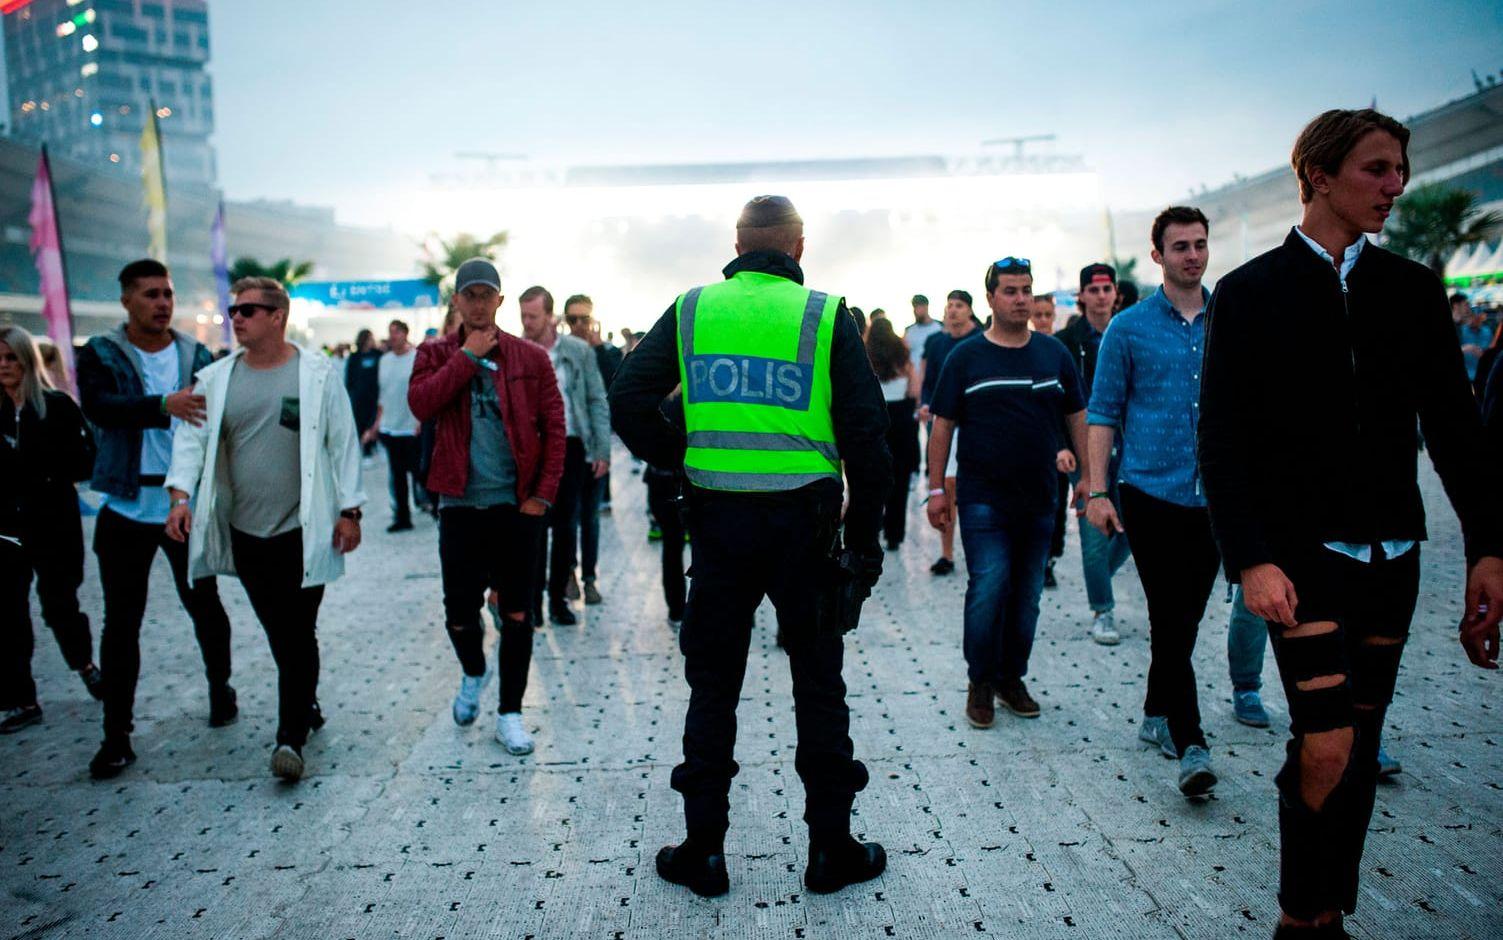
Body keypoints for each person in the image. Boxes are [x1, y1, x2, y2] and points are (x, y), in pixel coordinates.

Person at [1198, 109, 1503, 938]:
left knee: (1358, 744)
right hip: (1301, 560)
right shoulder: (1249, 292)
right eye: (1375, 169)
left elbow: (1452, 428)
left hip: (1393, 557)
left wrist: (1487, 549)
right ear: (1318, 176)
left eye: (1397, 170)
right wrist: (1249, 561)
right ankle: (1301, 915)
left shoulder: (1408, 288)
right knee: (1326, 741)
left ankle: (1325, 910)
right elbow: (1219, 443)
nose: (1394, 186)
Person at [610, 195, 891, 898]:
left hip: (719, 523)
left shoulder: (693, 309)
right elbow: (866, 437)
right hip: (807, 525)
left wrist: (679, 456)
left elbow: (627, 400)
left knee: (713, 685)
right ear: (797, 248)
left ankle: (703, 850)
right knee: (818, 684)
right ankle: (831, 848)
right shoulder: (826, 315)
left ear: (736, 246)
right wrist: (864, 546)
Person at [165, 276, 366, 782]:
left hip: (304, 527)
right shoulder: (216, 378)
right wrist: (180, 497)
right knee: (281, 631)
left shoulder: (316, 373)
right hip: (245, 531)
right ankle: (305, 701)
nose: (236, 318)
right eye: (234, 310)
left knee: (297, 631)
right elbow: (191, 442)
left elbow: (342, 444)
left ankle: (289, 740)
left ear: (278, 316)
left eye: (248, 310)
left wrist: (350, 511)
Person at [75, 259, 236, 780]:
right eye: (150, 294)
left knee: (204, 605)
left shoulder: (196, 353)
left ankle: (221, 688)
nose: (162, 303)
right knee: (121, 624)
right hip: (125, 505)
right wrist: (163, 404)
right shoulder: (102, 352)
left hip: (183, 504)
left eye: (167, 294)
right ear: (127, 300)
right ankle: (116, 735)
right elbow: (101, 407)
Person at [1085, 206, 1223, 798]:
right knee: (1170, 612)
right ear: (1158, 255)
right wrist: (1096, 492)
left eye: (1199, 244)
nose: (1192, 255)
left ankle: (1152, 709)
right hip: (1149, 492)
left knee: (1185, 618)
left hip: (1216, 496)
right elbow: (1102, 414)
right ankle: (1190, 741)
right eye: (1180, 246)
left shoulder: (1232, 320)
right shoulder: (1129, 327)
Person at [408, 259, 565, 757]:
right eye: (468, 295)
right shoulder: (434, 353)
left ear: (500, 300)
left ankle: (510, 713)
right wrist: (468, 357)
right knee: (459, 614)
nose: (477, 303)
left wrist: (542, 494)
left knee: (519, 614)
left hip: (514, 507)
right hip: (457, 504)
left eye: (486, 295)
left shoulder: (530, 358)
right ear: (457, 301)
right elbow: (421, 405)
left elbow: (554, 428)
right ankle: (474, 672)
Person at [927, 257, 1088, 729]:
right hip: (982, 500)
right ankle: (980, 680)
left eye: (1026, 290)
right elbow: (943, 426)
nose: (1021, 300)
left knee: (1027, 596)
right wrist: (937, 489)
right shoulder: (967, 357)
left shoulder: (1053, 354)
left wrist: (1088, 482)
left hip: (1040, 498)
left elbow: (1077, 415)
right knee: (989, 587)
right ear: (992, 298)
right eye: (1011, 291)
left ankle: (1010, 678)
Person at [0, 326, 99, 733]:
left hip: (53, 523)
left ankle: (86, 665)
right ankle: (20, 698)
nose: (4, 366)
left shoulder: (57, 407)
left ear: (27, 360)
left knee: (59, 604)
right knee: (7, 614)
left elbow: (84, 462)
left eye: (11, 358)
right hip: (7, 528)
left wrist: (42, 472)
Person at [519, 287, 611, 620]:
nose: (527, 323)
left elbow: (596, 399)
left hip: (570, 446)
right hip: (531, 449)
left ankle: (558, 599)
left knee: (565, 525)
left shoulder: (577, 351)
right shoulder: (517, 352)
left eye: (533, 316)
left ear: (550, 317)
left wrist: (601, 448)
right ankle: (533, 602)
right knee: (534, 526)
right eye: (523, 316)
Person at [1058, 262, 1132, 645]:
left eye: (1107, 289)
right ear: (1082, 294)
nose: (1101, 296)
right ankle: (1102, 610)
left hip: (1132, 447)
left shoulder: (1129, 330)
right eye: (1095, 289)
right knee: (1093, 533)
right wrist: (1062, 448)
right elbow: (1055, 401)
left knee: (1131, 528)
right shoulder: (1066, 342)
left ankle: (1096, 575)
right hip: (1084, 449)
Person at [917, 290, 982, 575]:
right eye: (949, 306)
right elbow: (929, 381)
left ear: (970, 310)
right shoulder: (936, 343)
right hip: (943, 424)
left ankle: (980, 548)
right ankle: (947, 553)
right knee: (946, 485)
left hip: (976, 424)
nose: (953, 310)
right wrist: (924, 404)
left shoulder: (981, 340)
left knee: (972, 489)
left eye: (959, 305)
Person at [562, 294, 615, 593]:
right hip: (569, 449)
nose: (579, 325)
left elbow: (612, 393)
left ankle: (590, 578)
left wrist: (599, 351)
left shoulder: (604, 353)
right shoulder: (562, 353)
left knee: (590, 518)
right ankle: (568, 572)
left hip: (596, 446)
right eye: (573, 319)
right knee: (567, 518)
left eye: (584, 318)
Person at [865, 318, 919, 550]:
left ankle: (872, 529)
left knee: (873, 479)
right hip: (902, 420)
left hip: (875, 419)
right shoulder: (903, 356)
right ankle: (895, 534)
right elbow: (914, 388)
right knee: (900, 478)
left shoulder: (866, 356)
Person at [1031, 294, 1070, 588]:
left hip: (1061, 445)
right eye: (1039, 314)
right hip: (1032, 444)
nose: (1043, 320)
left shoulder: (1060, 351)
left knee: (1056, 505)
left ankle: (1049, 558)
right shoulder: (1025, 350)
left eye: (1047, 314)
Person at [372, 319, 421, 532]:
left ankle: (430, 504)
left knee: (419, 472)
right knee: (397, 476)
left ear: (405, 334)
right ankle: (403, 516)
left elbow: (421, 392)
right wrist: (377, 423)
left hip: (411, 426)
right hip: (390, 426)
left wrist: (420, 420)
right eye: (390, 332)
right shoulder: (384, 361)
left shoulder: (416, 358)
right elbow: (382, 394)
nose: (393, 336)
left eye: (397, 332)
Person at [346, 328, 382, 458]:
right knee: (359, 421)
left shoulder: (377, 355)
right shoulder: (355, 357)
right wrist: (351, 393)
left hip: (373, 396)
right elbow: (349, 377)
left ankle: (370, 447)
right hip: (358, 397)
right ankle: (360, 447)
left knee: (372, 420)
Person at [1457, 305, 1491, 384]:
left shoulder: (1487, 331)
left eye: (1478, 318)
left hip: (1484, 376)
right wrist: (1466, 348)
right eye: (1472, 317)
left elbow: (1491, 351)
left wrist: (1484, 354)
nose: (1474, 320)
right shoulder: (1461, 330)